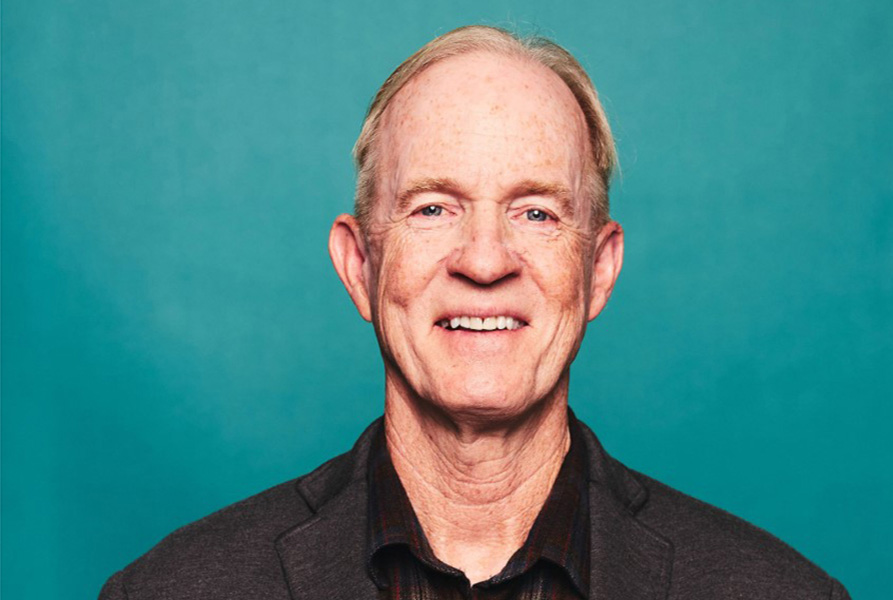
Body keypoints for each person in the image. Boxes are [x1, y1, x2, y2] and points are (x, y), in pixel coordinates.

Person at [100, 25, 850, 600]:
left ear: (598, 270)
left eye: (536, 213)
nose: (485, 260)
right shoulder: (170, 588)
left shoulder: (782, 591)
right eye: (433, 208)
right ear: (360, 266)